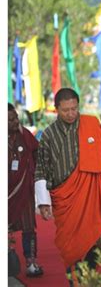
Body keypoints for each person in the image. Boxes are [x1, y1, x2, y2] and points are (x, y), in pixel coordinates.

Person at [34, 88, 101, 279]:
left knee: (96, 239)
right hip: (66, 199)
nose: (71, 113)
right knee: (72, 244)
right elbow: (41, 168)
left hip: (94, 194)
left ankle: (89, 277)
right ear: (56, 109)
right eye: (66, 110)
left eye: (74, 108)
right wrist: (43, 202)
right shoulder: (48, 135)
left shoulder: (91, 124)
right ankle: (76, 280)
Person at [8, 103, 43, 277]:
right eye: (10, 119)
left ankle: (31, 261)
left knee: (28, 227)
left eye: (16, 117)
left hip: (24, 190)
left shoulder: (24, 135)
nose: (15, 122)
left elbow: (38, 154)